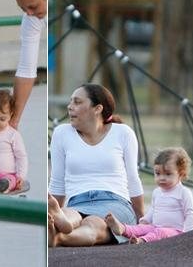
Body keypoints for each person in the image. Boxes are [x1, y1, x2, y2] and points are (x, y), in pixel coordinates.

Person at [48, 83, 145, 247]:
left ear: (97, 108)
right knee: (68, 214)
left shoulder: (123, 133)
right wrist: (52, 209)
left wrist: (142, 221)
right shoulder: (62, 133)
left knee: (94, 223)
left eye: (77, 102)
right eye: (70, 102)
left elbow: (133, 179)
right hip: (78, 201)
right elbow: (57, 181)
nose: (70, 107)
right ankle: (59, 222)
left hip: (115, 202)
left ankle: (60, 238)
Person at [105, 147, 193, 244]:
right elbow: (153, 209)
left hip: (175, 231)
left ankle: (141, 240)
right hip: (156, 226)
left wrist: (187, 234)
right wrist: (146, 219)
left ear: (181, 174)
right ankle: (122, 229)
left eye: (168, 174)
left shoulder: (183, 192)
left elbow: (190, 214)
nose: (161, 178)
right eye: (158, 173)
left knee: (159, 232)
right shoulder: (157, 192)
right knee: (141, 228)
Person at [9, 0, 47, 129]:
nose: (29, 13)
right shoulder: (30, 19)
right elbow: (26, 70)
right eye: (23, 9)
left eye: (33, 7)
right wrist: (13, 121)